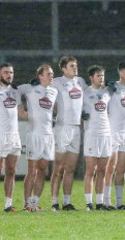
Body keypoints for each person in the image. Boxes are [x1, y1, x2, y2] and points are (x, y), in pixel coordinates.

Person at [0, 62, 27, 213]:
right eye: (6, 72)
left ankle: (8, 204)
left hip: (14, 135)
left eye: (11, 72)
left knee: (11, 171)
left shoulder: (16, 92)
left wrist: (43, 116)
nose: (9, 75)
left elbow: (22, 114)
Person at [19, 64, 58, 212]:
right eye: (48, 74)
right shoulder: (30, 89)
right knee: (32, 171)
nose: (51, 76)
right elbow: (14, 90)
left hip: (48, 135)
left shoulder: (54, 91)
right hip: (34, 134)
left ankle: (35, 203)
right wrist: (21, 110)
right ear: (40, 76)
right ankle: (26, 203)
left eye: (52, 74)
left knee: (43, 170)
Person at [50, 55, 87, 211]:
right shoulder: (56, 82)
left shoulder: (81, 82)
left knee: (70, 168)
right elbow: (45, 97)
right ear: (63, 69)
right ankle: (53, 202)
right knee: (58, 167)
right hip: (62, 127)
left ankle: (67, 202)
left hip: (76, 128)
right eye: (71, 66)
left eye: (75, 65)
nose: (75, 68)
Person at [103, 61, 125, 210]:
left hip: (124, 134)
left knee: (121, 169)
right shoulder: (112, 88)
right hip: (112, 133)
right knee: (110, 168)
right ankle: (106, 201)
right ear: (121, 73)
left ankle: (119, 202)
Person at [82, 65, 112, 211]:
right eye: (98, 76)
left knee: (102, 171)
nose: (101, 78)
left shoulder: (107, 93)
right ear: (91, 78)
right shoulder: (85, 93)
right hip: (92, 134)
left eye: (103, 76)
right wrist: (81, 115)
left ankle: (100, 203)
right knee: (90, 170)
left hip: (106, 134)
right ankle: (89, 203)